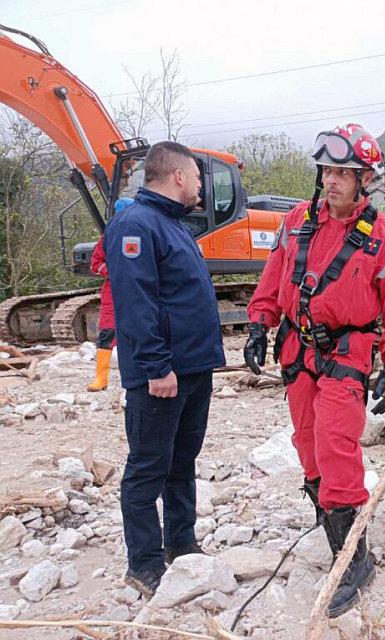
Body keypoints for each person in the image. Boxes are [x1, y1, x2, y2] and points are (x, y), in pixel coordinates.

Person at [243, 123, 385, 618]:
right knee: (306, 444)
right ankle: (336, 536)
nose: (333, 179)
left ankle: (356, 561)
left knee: (336, 445)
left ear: (365, 179)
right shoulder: (297, 220)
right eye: (328, 169)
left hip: (347, 352)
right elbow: (274, 279)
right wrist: (259, 323)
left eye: (345, 171)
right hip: (298, 348)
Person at [104, 141, 225, 596]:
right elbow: (137, 305)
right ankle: (144, 564)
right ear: (178, 176)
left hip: (192, 369)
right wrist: (156, 367)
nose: (198, 184)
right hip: (162, 375)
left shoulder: (172, 225)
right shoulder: (135, 224)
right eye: (196, 175)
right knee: (148, 466)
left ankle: (181, 543)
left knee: (181, 461)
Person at [87, 197, 133, 391]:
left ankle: (137, 376)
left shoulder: (146, 233)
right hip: (113, 292)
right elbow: (96, 264)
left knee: (141, 333)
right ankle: (101, 378)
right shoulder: (108, 238)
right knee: (107, 332)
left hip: (138, 291)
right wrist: (113, 271)